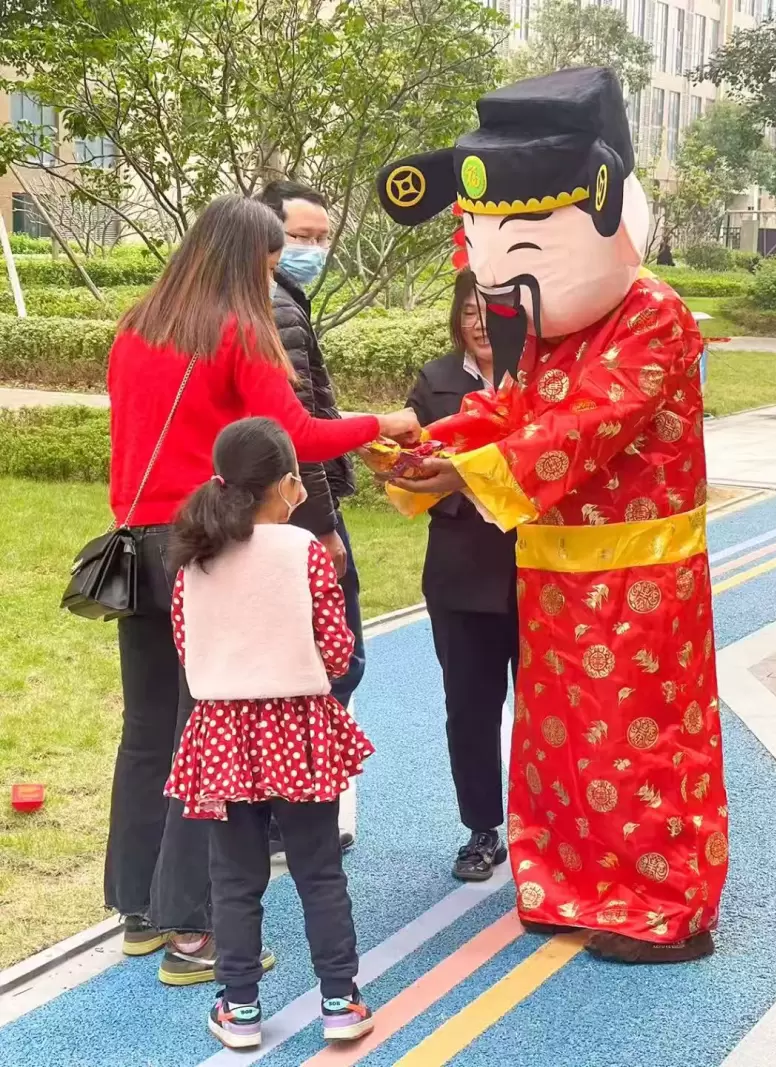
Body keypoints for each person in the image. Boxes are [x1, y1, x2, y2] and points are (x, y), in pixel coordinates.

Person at [377, 67, 728, 963]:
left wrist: (468, 470)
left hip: (640, 582)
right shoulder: (547, 335)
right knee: (558, 745)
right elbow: (507, 408)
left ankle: (664, 904)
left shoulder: (654, 317)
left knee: (639, 744)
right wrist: (431, 446)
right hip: (554, 576)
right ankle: (571, 882)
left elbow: (586, 425)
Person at [105, 194, 418, 982]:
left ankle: (139, 910)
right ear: (250, 261)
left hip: (136, 546)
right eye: (273, 265)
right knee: (201, 731)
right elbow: (296, 436)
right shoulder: (238, 332)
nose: (276, 279)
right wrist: (381, 423)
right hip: (203, 548)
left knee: (147, 731)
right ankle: (193, 930)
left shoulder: (137, 327)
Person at [165, 417, 375, 1051]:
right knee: (319, 871)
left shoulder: (195, 554)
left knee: (233, 878)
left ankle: (240, 1007)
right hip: (298, 728)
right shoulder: (303, 549)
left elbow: (186, 646)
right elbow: (336, 649)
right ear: (287, 483)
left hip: (222, 733)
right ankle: (340, 999)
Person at [255, 179, 362, 856]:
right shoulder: (276, 305)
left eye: (322, 238)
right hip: (298, 510)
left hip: (286, 507)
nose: (313, 249)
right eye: (300, 237)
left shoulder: (283, 298)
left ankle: (282, 808)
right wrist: (321, 525)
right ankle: (294, 811)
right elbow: (296, 434)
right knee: (334, 658)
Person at [406, 269, 517, 881]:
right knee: (470, 707)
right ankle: (482, 828)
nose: (479, 323)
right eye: (469, 311)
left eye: (492, 310)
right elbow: (418, 466)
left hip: (540, 570)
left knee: (551, 710)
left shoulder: (544, 380)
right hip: (461, 569)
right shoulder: (437, 380)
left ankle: (551, 826)